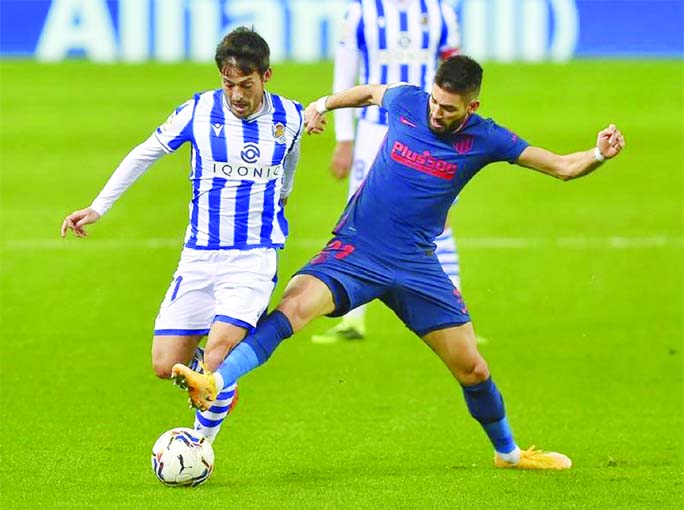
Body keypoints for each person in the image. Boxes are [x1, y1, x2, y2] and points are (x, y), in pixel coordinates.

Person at [172, 55, 625, 469]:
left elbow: (562, 166)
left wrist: (599, 154)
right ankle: (214, 381)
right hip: (356, 250)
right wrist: (323, 104)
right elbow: (370, 92)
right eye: (435, 101)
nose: (436, 112)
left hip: (415, 266)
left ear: (471, 106)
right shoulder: (409, 100)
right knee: (292, 308)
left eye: (449, 108)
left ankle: (508, 452)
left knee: (473, 369)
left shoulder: (485, 137)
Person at [61, 27, 304, 443]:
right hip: (199, 255)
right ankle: (218, 380)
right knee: (164, 364)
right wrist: (99, 206)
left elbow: (287, 174)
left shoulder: (292, 118)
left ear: (267, 76)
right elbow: (145, 152)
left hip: (252, 257)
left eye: (246, 85)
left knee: (219, 352)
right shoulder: (198, 111)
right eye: (229, 84)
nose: (237, 95)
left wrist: (275, 205)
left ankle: (199, 444)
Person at [313, 0, 465, 343]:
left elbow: (457, 79)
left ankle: (455, 312)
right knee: (361, 217)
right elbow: (345, 76)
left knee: (440, 218)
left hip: (428, 133)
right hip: (371, 130)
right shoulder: (360, 13)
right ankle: (352, 318)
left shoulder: (442, 12)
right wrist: (345, 139)